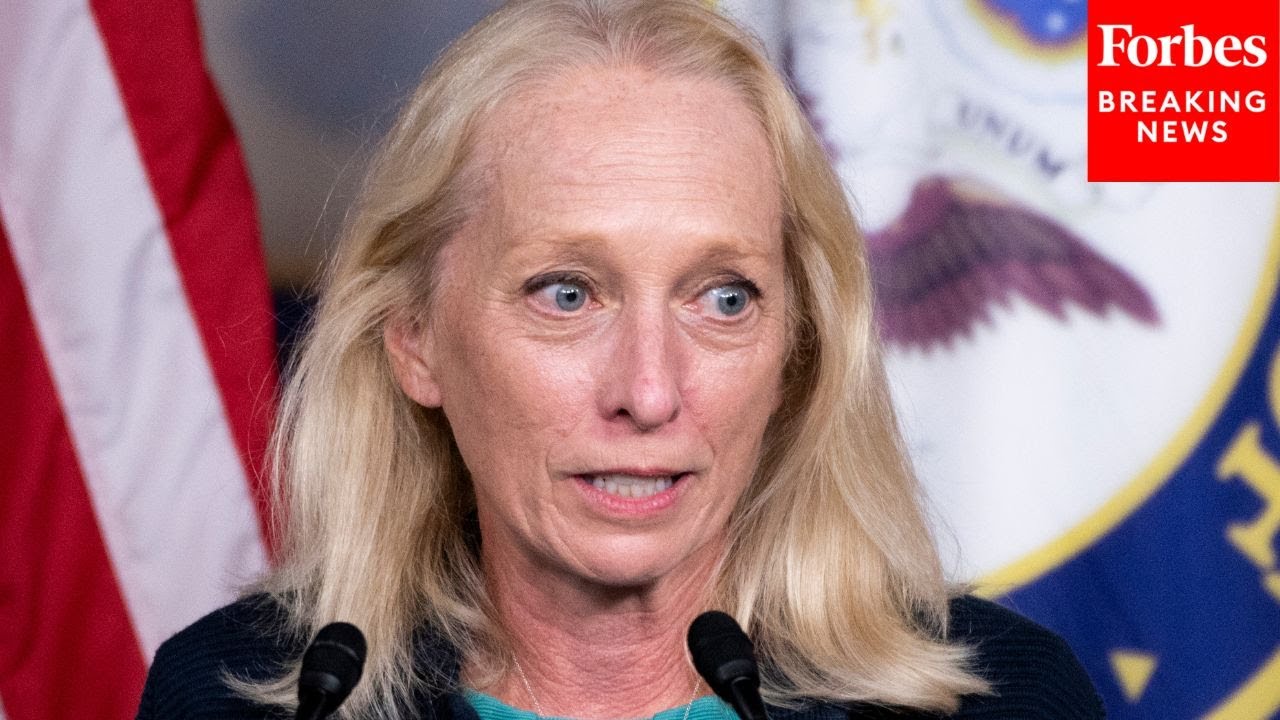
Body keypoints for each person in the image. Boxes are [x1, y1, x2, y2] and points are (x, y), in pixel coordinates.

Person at [137, 1, 1104, 718]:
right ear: (414, 337)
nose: (648, 391)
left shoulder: (1003, 702)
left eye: (723, 299)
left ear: (798, 351)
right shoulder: (238, 698)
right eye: (567, 294)